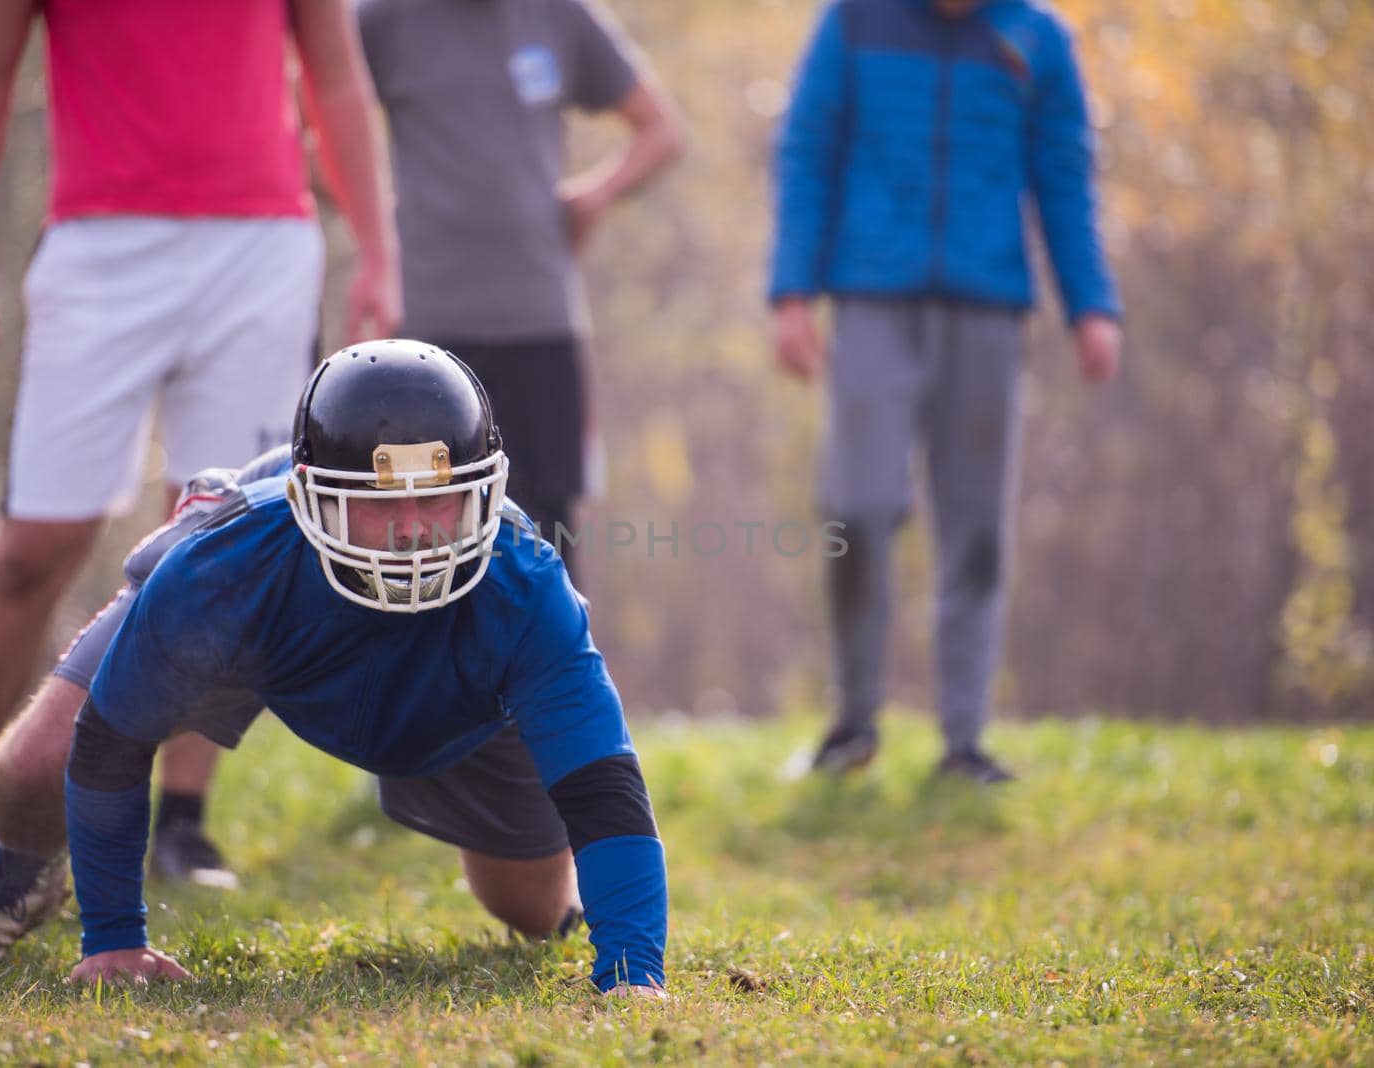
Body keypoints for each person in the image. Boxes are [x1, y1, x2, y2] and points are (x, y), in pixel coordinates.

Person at [0, 341, 667, 1000]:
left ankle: (565, 905)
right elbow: (112, 741)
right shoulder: (226, 566)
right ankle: (20, 870)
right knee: (46, 762)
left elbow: (602, 788)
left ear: (482, 492)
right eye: (377, 503)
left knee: (529, 908)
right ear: (310, 500)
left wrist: (634, 974)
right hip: (268, 621)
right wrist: (112, 938)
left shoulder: (526, 587)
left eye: (436, 498)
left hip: (451, 701)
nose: (410, 530)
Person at [0, 0, 399, 892]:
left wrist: (379, 252)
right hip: (99, 249)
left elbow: (335, 75)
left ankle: (183, 826)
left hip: (261, 251)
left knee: (222, 542)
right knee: (34, 547)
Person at [769, 0, 1124, 780]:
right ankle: (854, 723)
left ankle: (964, 741)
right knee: (856, 509)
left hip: (989, 306)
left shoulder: (1038, 38)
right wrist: (791, 293)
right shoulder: (856, 23)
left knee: (977, 532)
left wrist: (1091, 304)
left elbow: (1064, 178)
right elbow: (807, 150)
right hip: (870, 298)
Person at [356, 0, 683, 575]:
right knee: (421, 547)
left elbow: (661, 130)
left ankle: (546, 666)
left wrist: (596, 195)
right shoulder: (383, 18)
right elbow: (309, 124)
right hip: (427, 338)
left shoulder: (560, 15)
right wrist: (375, 219)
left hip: (542, 328)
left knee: (547, 544)